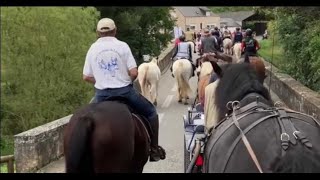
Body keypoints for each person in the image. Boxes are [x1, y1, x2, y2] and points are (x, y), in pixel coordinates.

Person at [82, 18, 166, 162]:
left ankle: (84, 156)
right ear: (115, 31)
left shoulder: (92, 49)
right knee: (151, 112)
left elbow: (86, 76)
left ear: (97, 33)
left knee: (84, 120)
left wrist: (101, 81)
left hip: (102, 95)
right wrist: (126, 81)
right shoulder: (122, 46)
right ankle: (154, 149)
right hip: (125, 92)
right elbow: (134, 72)